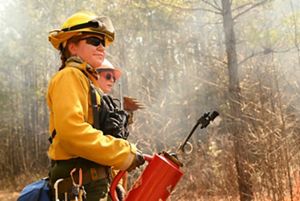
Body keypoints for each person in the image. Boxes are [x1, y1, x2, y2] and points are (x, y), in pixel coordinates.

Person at [47, 11, 144, 201]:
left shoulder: (87, 82)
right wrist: (123, 153)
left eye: (103, 43)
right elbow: (72, 133)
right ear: (72, 46)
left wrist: (115, 180)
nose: (102, 47)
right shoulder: (69, 76)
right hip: (81, 187)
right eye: (94, 40)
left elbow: (98, 139)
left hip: (94, 186)